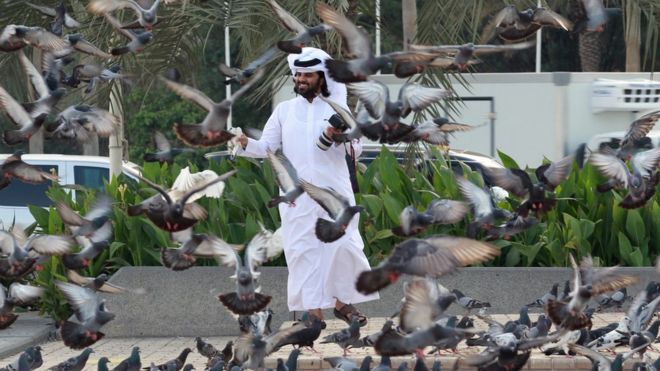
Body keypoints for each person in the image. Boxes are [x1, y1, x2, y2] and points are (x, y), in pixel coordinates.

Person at [231, 47, 378, 326]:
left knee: (343, 248)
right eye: (298, 74)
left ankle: (342, 303)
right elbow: (267, 147)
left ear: (321, 77)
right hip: (298, 196)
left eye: (307, 74)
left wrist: (337, 137)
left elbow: (357, 148)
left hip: (335, 194)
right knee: (303, 251)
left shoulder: (338, 110)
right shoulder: (284, 111)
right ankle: (313, 314)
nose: (301, 79)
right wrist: (244, 143)